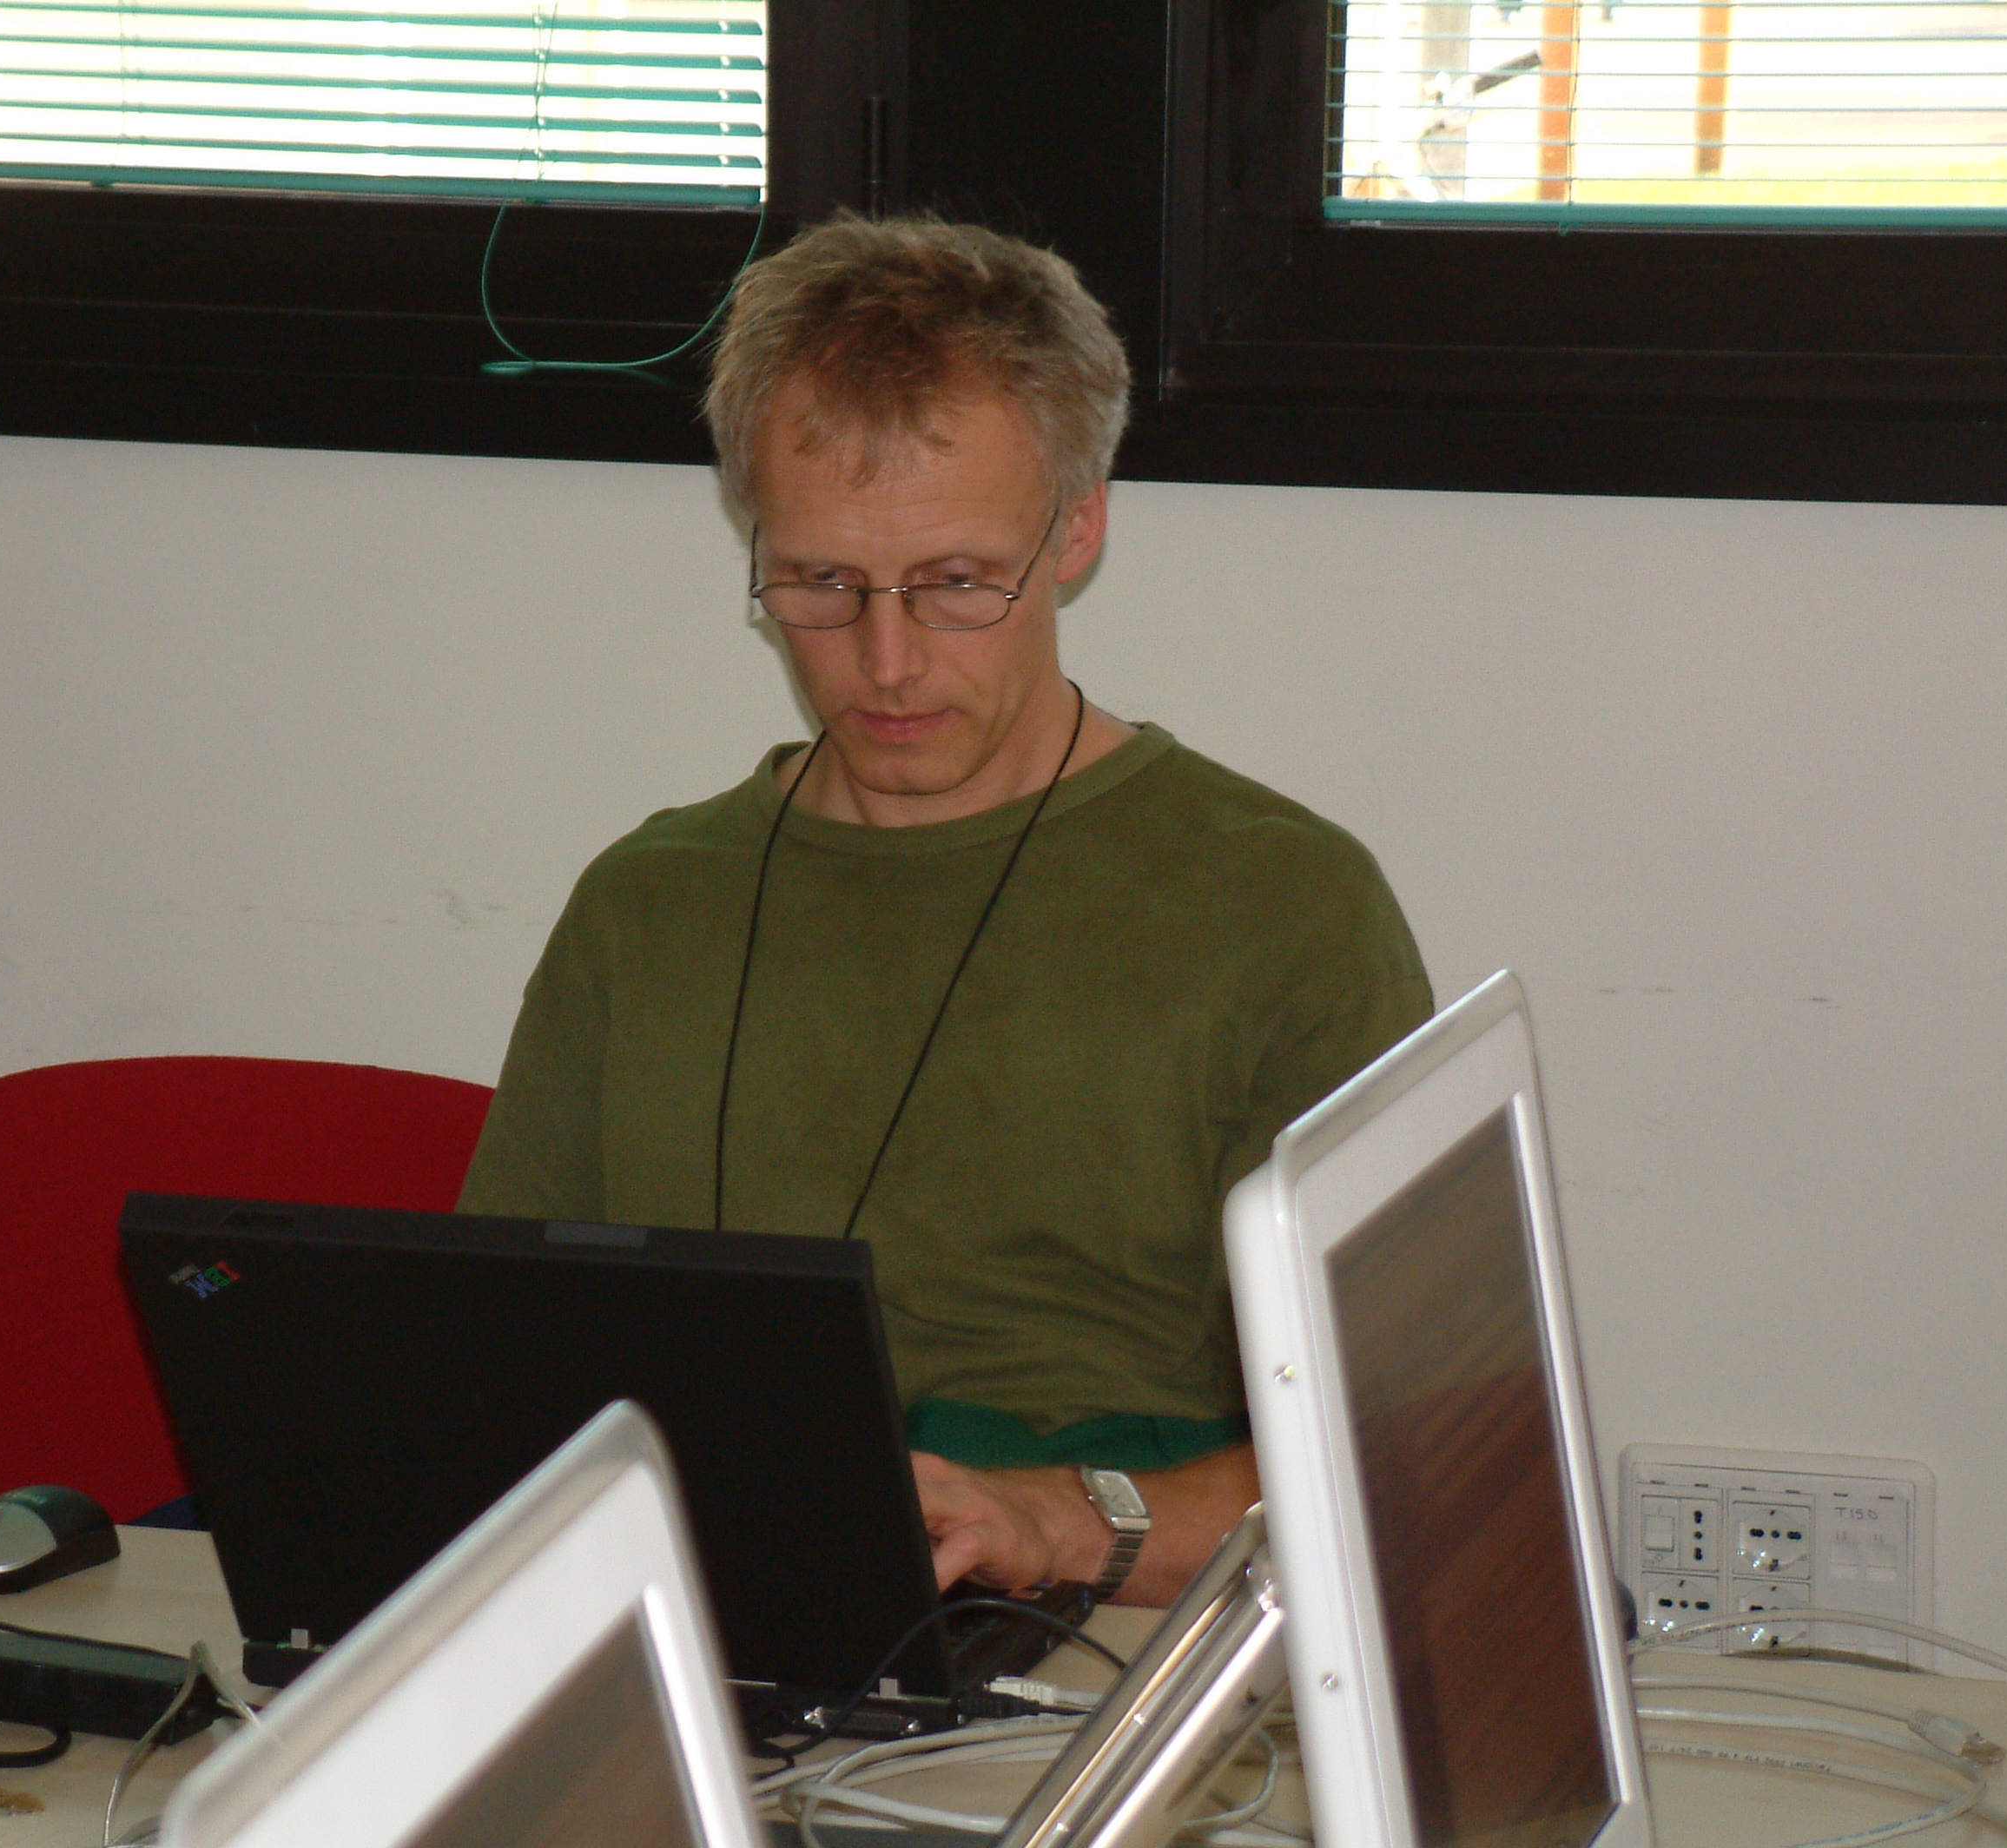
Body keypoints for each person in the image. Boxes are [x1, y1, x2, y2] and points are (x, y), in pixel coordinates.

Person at [459, 214, 1430, 1606]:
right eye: (820, 584)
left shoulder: (1282, 904)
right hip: (712, 1606)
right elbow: (501, 1378)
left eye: (958, 583)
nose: (887, 663)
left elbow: (1393, 1457)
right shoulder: (647, 902)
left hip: (1094, 1621)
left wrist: (1060, 1526)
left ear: (1077, 528)